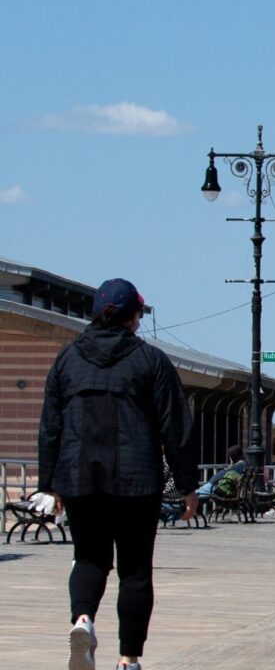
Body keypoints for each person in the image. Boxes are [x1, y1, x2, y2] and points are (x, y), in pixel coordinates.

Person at [37, 277, 198, 670]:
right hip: (136, 480)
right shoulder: (151, 361)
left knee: (89, 558)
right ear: (133, 317)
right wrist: (187, 486)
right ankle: (128, 660)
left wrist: (49, 485)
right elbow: (176, 427)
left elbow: (50, 427)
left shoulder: (67, 359)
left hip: (79, 477)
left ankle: (83, 620)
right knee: (135, 571)